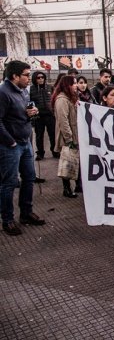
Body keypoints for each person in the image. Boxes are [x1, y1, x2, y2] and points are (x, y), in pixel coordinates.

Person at [0, 60, 46, 236]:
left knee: (29, 178)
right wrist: (10, 142)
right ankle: (8, 220)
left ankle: (26, 213)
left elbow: (26, 107)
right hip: (10, 146)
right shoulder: (3, 92)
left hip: (25, 141)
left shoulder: (23, 91)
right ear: (15, 76)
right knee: (9, 182)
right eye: (26, 75)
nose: (29, 78)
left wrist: (32, 110)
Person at [51, 75, 80, 198]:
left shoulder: (70, 98)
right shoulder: (62, 100)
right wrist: (69, 139)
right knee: (67, 162)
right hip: (67, 137)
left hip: (74, 134)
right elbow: (63, 121)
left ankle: (74, 186)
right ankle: (67, 188)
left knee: (72, 160)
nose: (76, 85)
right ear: (67, 85)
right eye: (73, 83)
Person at [29, 71, 57, 160]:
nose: (41, 79)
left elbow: (54, 99)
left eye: (42, 77)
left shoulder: (50, 87)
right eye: (38, 78)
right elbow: (29, 103)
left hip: (50, 115)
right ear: (35, 79)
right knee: (39, 135)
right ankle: (40, 153)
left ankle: (55, 151)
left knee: (52, 134)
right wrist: (33, 116)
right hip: (38, 116)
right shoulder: (31, 89)